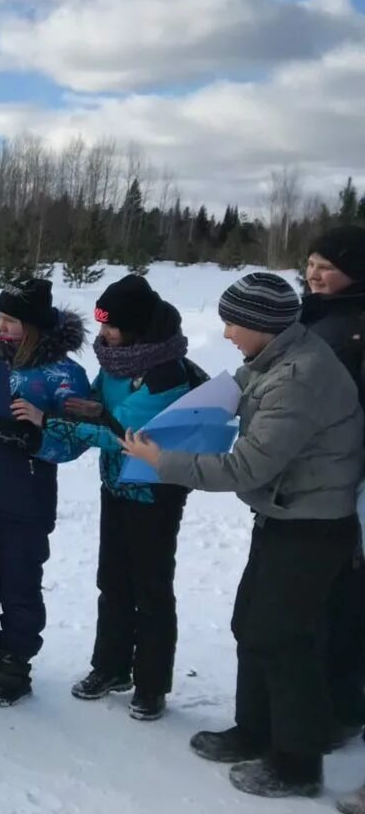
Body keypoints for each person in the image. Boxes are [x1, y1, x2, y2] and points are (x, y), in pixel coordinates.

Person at [122, 273, 364, 800]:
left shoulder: (299, 376)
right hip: (284, 516)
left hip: (313, 526)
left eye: (234, 322)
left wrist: (162, 461)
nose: (227, 332)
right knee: (251, 624)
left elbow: (246, 468)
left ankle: (298, 763)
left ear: (264, 325)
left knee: (282, 636)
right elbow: (233, 395)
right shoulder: (272, 362)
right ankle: (255, 730)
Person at [41, 274, 198, 720]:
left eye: (110, 325)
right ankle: (110, 666)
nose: (103, 333)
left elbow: (121, 432)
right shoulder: (116, 359)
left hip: (155, 492)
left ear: (135, 325)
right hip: (116, 486)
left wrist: (49, 423)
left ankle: (151, 685)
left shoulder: (166, 370)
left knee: (150, 587)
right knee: (112, 580)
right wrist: (71, 403)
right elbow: (94, 402)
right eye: (100, 322)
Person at [0, 278, 88, 706]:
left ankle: (14, 665)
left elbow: (78, 438)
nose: (1, 325)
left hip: (25, 499)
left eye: (12, 319)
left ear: (35, 326)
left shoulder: (64, 375)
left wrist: (38, 430)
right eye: (0, 317)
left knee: (20, 584)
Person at [301, 225, 365, 748]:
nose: (314, 274)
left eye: (327, 265)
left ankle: (337, 710)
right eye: (311, 262)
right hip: (318, 473)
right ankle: (331, 706)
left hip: (347, 479)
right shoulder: (315, 316)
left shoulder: (354, 325)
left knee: (341, 599)